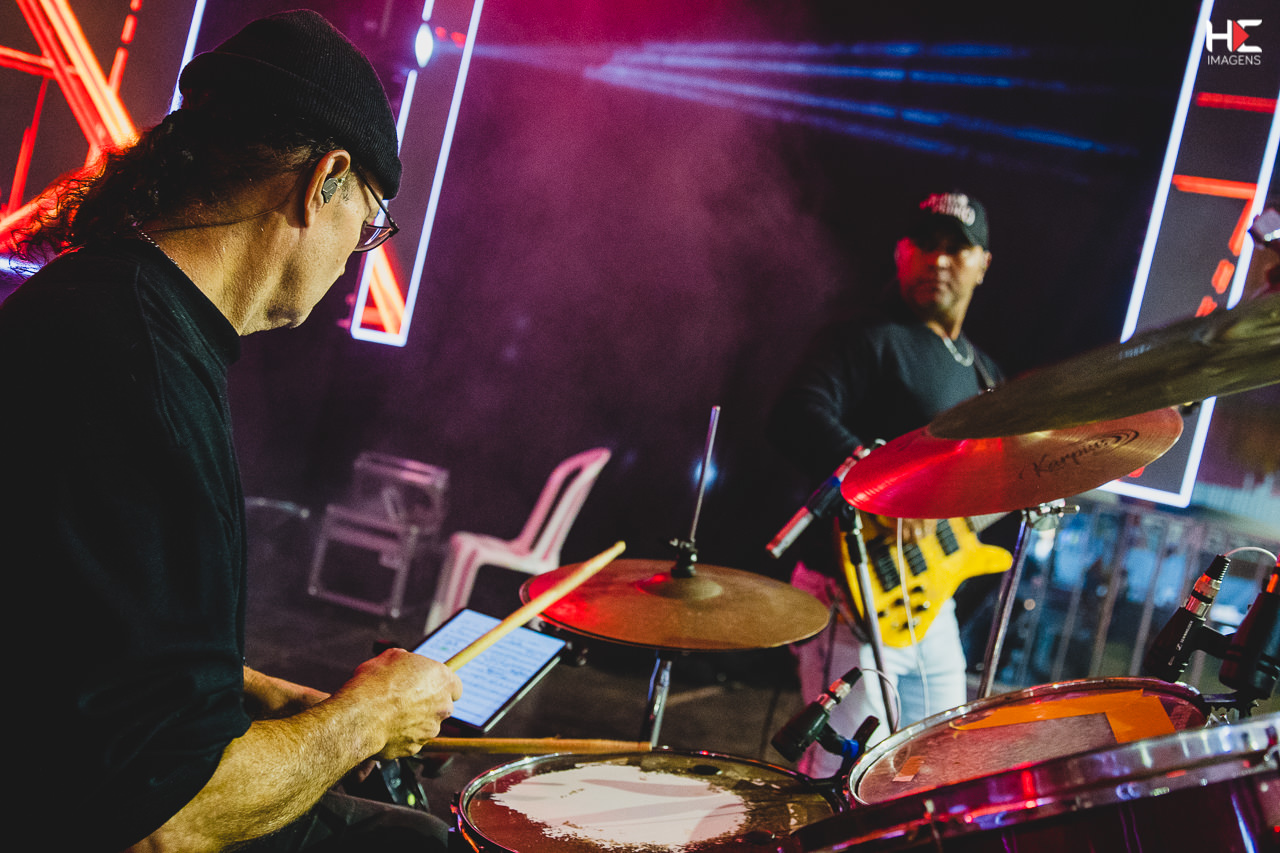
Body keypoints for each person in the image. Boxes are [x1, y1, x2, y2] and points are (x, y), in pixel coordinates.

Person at [1, 11, 462, 852]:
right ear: (324, 179)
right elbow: (160, 815)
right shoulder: (136, 372)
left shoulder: (101, 307)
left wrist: (244, 688)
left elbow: (69, 629)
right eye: (367, 227)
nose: (354, 258)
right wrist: (364, 719)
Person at [767, 191, 1003, 777]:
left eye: (956, 248)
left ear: (982, 265)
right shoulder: (866, 336)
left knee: (935, 769)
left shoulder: (983, 373)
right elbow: (796, 413)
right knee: (844, 777)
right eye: (925, 245)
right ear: (901, 253)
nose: (938, 260)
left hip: (930, 601)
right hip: (852, 592)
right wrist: (887, 489)